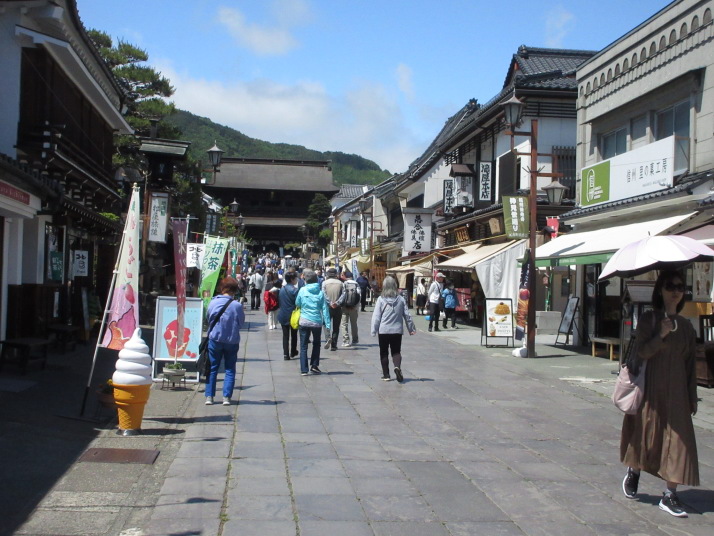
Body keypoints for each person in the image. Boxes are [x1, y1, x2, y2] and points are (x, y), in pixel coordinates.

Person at [620, 270, 699, 518]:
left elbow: (690, 365)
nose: (676, 291)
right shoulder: (649, 320)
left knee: (679, 441)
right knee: (646, 435)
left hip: (677, 392)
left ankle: (670, 493)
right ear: (660, 290)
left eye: (680, 287)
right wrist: (661, 334)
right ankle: (634, 469)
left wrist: (692, 396)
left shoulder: (686, 327)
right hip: (650, 389)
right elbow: (642, 352)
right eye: (670, 286)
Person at [205, 276, 245, 406]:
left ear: (222, 288)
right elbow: (241, 323)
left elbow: (208, 318)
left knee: (212, 367)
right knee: (230, 368)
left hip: (215, 338)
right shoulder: (237, 305)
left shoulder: (213, 302)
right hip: (231, 339)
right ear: (234, 290)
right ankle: (226, 397)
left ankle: (209, 396)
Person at [371, 275, 416, 382]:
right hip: (397, 330)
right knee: (396, 351)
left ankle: (386, 375)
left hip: (383, 330)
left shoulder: (381, 299)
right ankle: (397, 367)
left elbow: (376, 316)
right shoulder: (400, 299)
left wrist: (374, 330)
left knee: (384, 352)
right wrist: (411, 328)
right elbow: (407, 315)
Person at [295, 268, 331, 375]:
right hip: (316, 322)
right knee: (316, 343)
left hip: (304, 320)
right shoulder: (320, 293)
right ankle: (314, 365)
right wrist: (328, 324)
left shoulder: (302, 290)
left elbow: (297, 303)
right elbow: (325, 310)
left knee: (303, 346)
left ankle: (304, 369)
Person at [277, 272, 299, 360]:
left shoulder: (282, 289)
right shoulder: (295, 290)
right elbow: (298, 302)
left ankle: (285, 354)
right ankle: (293, 351)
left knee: (285, 335)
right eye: (295, 278)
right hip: (293, 315)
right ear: (292, 279)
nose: (296, 280)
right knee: (294, 334)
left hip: (283, 314)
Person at [321, 267, 344, 351]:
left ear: (328, 274)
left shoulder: (324, 283)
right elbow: (343, 295)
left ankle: (328, 337)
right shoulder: (341, 283)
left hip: (328, 307)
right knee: (336, 327)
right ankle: (334, 345)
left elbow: (323, 294)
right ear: (336, 274)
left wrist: (330, 302)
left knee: (325, 324)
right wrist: (337, 303)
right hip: (338, 308)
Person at [340, 270, 361, 346]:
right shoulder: (356, 284)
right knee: (354, 324)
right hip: (354, 308)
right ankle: (355, 340)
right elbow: (359, 296)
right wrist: (355, 306)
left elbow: (342, 296)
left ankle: (346, 341)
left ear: (346, 277)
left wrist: (342, 305)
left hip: (345, 307)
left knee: (344, 324)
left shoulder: (344, 284)